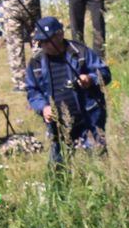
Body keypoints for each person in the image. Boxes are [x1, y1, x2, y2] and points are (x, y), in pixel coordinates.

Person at [23, 14, 110, 168]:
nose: (46, 45)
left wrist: (90, 79)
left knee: (98, 163)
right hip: (58, 125)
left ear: (60, 34)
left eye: (49, 40)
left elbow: (104, 73)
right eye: (42, 42)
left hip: (88, 118)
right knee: (58, 169)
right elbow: (32, 91)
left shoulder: (80, 51)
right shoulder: (36, 62)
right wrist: (43, 107)